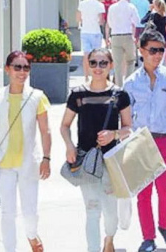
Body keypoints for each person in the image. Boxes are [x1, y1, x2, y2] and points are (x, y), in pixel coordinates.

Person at [0, 51, 52, 252]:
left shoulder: (37, 97)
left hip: (28, 162)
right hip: (4, 163)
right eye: (17, 67)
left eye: (26, 68)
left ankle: (32, 235)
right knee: (7, 212)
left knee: (30, 212)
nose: (22, 72)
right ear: (7, 69)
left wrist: (46, 158)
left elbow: (45, 130)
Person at [60, 48, 132, 252]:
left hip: (111, 160)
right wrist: (69, 145)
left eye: (103, 63)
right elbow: (64, 125)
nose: (98, 68)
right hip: (86, 160)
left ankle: (109, 240)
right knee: (92, 210)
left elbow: (128, 128)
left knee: (111, 213)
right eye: (93, 63)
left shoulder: (120, 95)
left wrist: (114, 134)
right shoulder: (78, 94)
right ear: (88, 65)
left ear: (111, 65)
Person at [124, 30, 166, 252]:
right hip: (140, 142)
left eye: (161, 50)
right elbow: (125, 116)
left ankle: (165, 226)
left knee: (165, 190)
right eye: (153, 50)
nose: (157, 55)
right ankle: (148, 237)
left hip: (164, 140)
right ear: (141, 51)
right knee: (143, 193)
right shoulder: (131, 83)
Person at [106, 0, 140, 87]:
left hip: (115, 36)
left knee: (117, 64)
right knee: (130, 61)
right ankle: (128, 83)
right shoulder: (131, 7)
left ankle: (119, 86)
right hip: (128, 35)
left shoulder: (112, 7)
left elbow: (110, 23)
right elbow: (137, 21)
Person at [78, 0, 107, 82]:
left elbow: (78, 17)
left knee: (86, 55)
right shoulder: (100, 5)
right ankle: (95, 76)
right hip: (95, 32)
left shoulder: (82, 3)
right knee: (96, 55)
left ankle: (86, 76)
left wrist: (83, 22)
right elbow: (101, 20)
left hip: (85, 31)